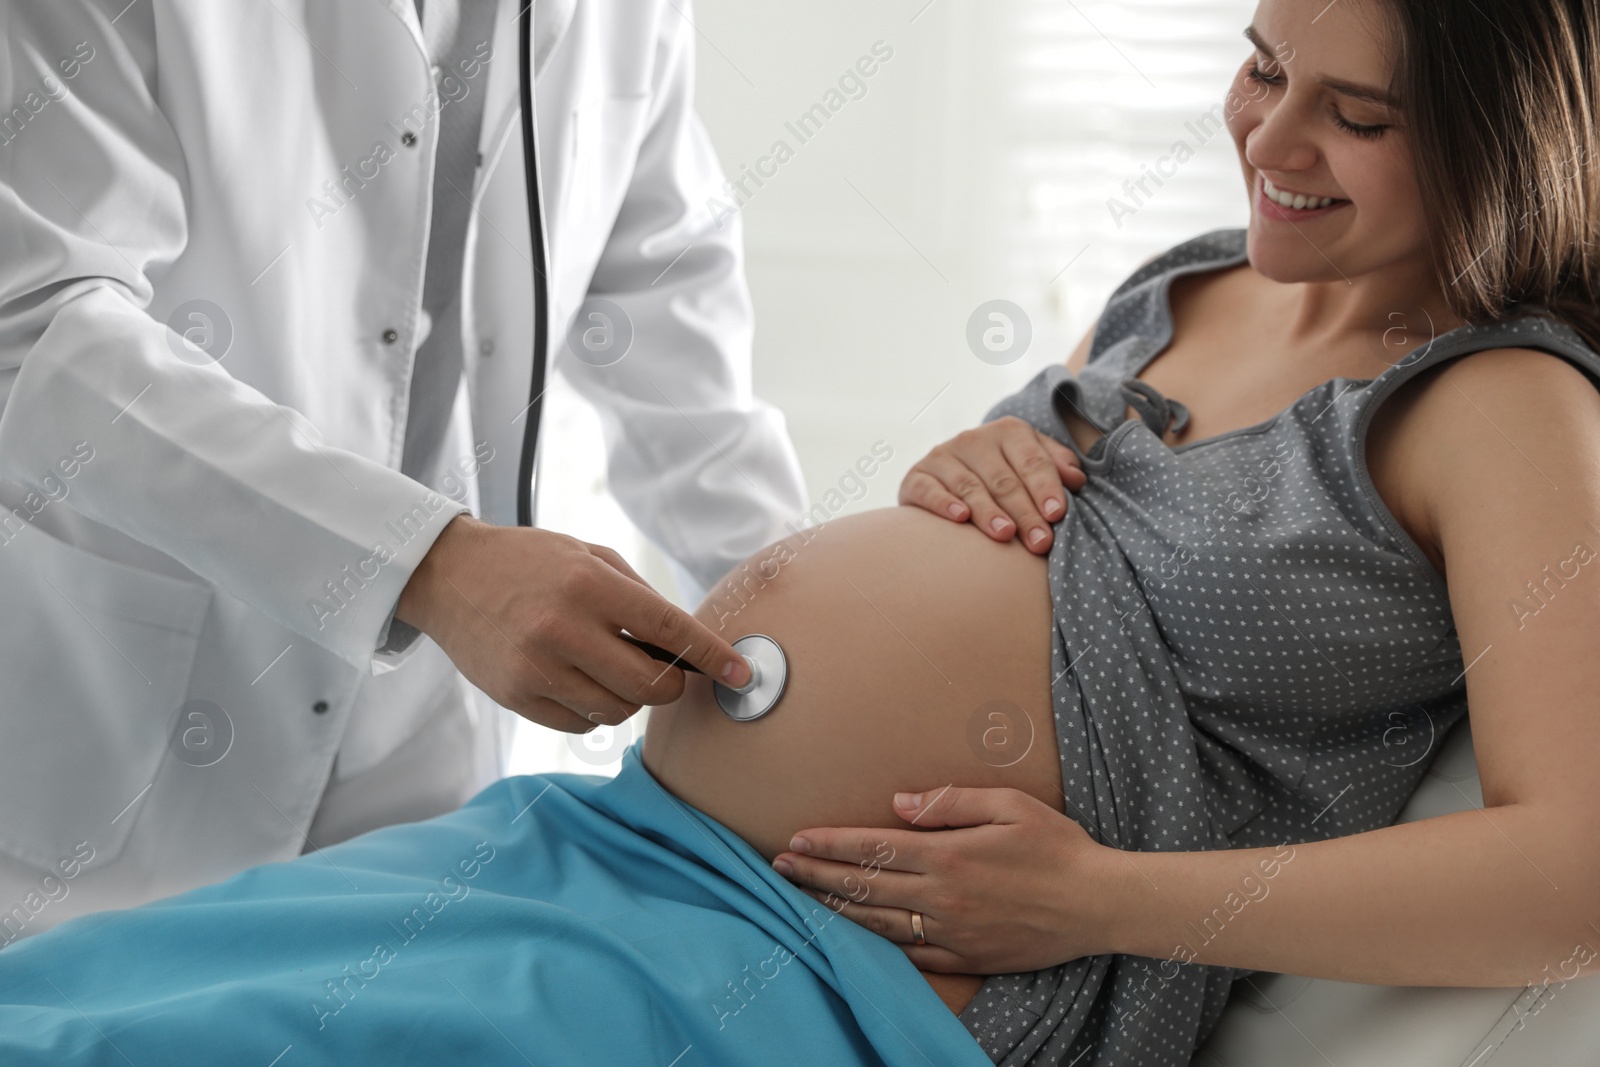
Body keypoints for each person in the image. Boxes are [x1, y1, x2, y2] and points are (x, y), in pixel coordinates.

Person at [3, 0, 1599, 1065]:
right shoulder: (1196, 281)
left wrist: (1099, 895)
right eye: (1260, 65)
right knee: (57, 1004)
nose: (1267, 138)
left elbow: (1572, 867)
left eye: (1359, 114)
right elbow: (33, 324)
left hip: (842, 963)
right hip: (610, 836)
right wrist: (978, 467)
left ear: (1511, 130)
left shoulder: (1499, 402)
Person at [0, 0, 806, 938]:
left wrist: (798, 622)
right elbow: (37, 323)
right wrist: (429, 564)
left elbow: (669, 311)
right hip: (113, 725)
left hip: (424, 751)